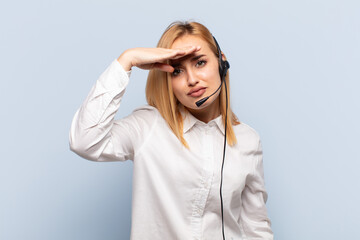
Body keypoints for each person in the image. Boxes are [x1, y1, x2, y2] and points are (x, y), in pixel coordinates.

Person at [69, 21, 273, 240]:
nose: (192, 80)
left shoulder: (248, 140)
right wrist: (126, 60)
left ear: (222, 62)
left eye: (200, 63)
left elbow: (255, 227)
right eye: (177, 70)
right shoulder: (148, 126)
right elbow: (84, 141)